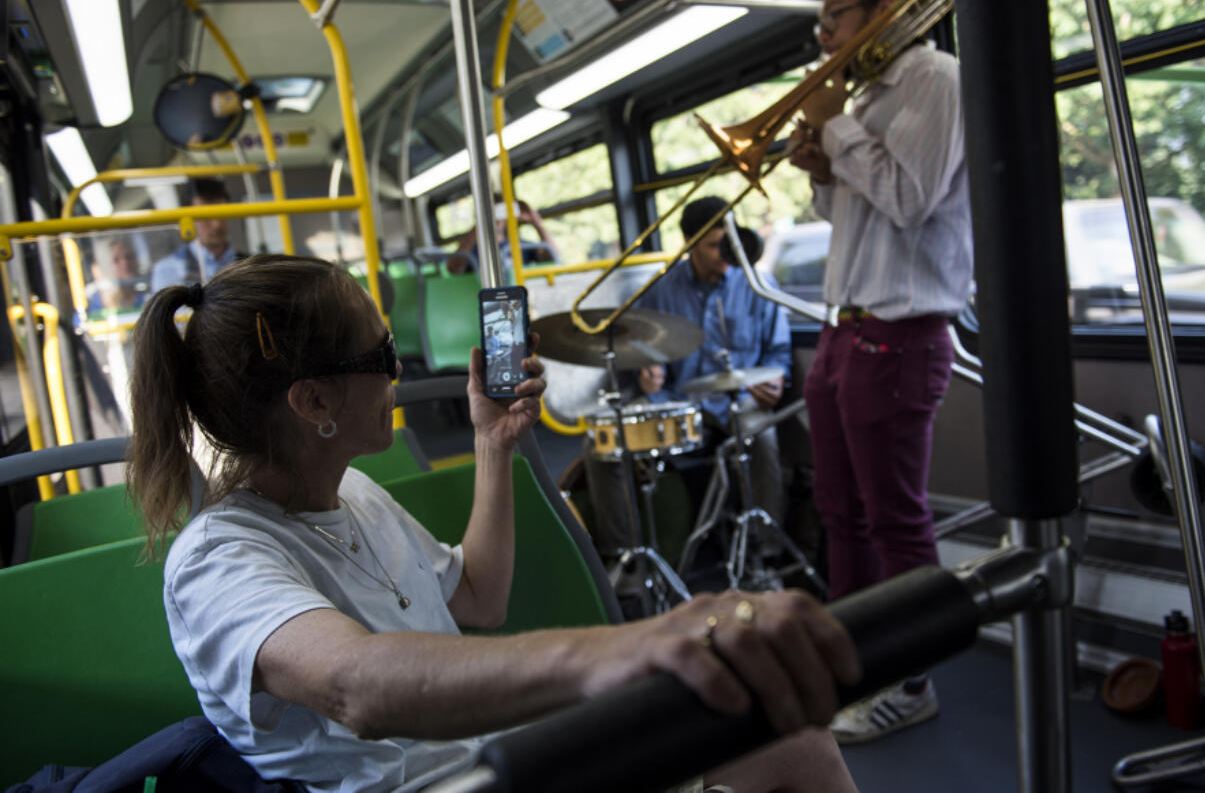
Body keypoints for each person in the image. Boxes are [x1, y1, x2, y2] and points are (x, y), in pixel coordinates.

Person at [125, 254, 861, 793]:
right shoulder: (217, 561)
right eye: (380, 355)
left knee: (794, 741)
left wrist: (491, 444)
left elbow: (479, 599)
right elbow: (356, 687)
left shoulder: (354, 494)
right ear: (314, 403)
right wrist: (624, 650)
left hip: (507, 758)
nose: (397, 374)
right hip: (442, 784)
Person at [787, 0, 973, 745]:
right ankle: (855, 660)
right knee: (840, 512)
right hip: (844, 329)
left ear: (887, 8)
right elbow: (854, 216)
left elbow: (907, 198)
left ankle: (913, 677)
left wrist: (834, 124)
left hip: (899, 334)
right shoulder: (862, 95)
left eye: (835, 15)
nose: (825, 31)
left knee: (895, 520)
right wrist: (821, 170)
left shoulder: (935, 81)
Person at [584, 196, 793, 563]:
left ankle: (767, 551)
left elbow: (777, 355)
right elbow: (639, 352)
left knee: (764, 440)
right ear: (689, 244)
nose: (724, 253)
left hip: (739, 399)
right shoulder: (660, 291)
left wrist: (776, 380)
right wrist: (644, 375)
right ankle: (625, 557)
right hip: (677, 400)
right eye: (714, 245)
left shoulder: (759, 284)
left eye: (728, 242)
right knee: (603, 445)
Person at [150, 178, 242, 292]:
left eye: (222, 214)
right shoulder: (168, 270)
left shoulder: (250, 265)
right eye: (205, 216)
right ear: (188, 219)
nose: (216, 224)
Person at [446, 198, 560, 276]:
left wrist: (536, 223)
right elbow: (453, 269)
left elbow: (553, 259)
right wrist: (477, 228)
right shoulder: (474, 249)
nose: (496, 219)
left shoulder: (520, 245)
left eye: (500, 212)